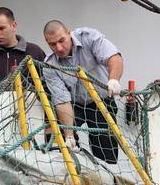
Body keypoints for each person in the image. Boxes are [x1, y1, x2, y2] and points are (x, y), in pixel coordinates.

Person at [43, 20, 123, 164]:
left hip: (101, 101)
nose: (59, 48)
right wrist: (69, 136)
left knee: (105, 145)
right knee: (64, 139)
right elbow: (62, 100)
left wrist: (114, 80)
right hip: (74, 104)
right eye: (53, 44)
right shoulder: (49, 65)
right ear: (47, 42)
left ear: (69, 32)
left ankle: (109, 177)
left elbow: (114, 57)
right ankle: (77, 174)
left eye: (62, 40)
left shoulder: (89, 37)